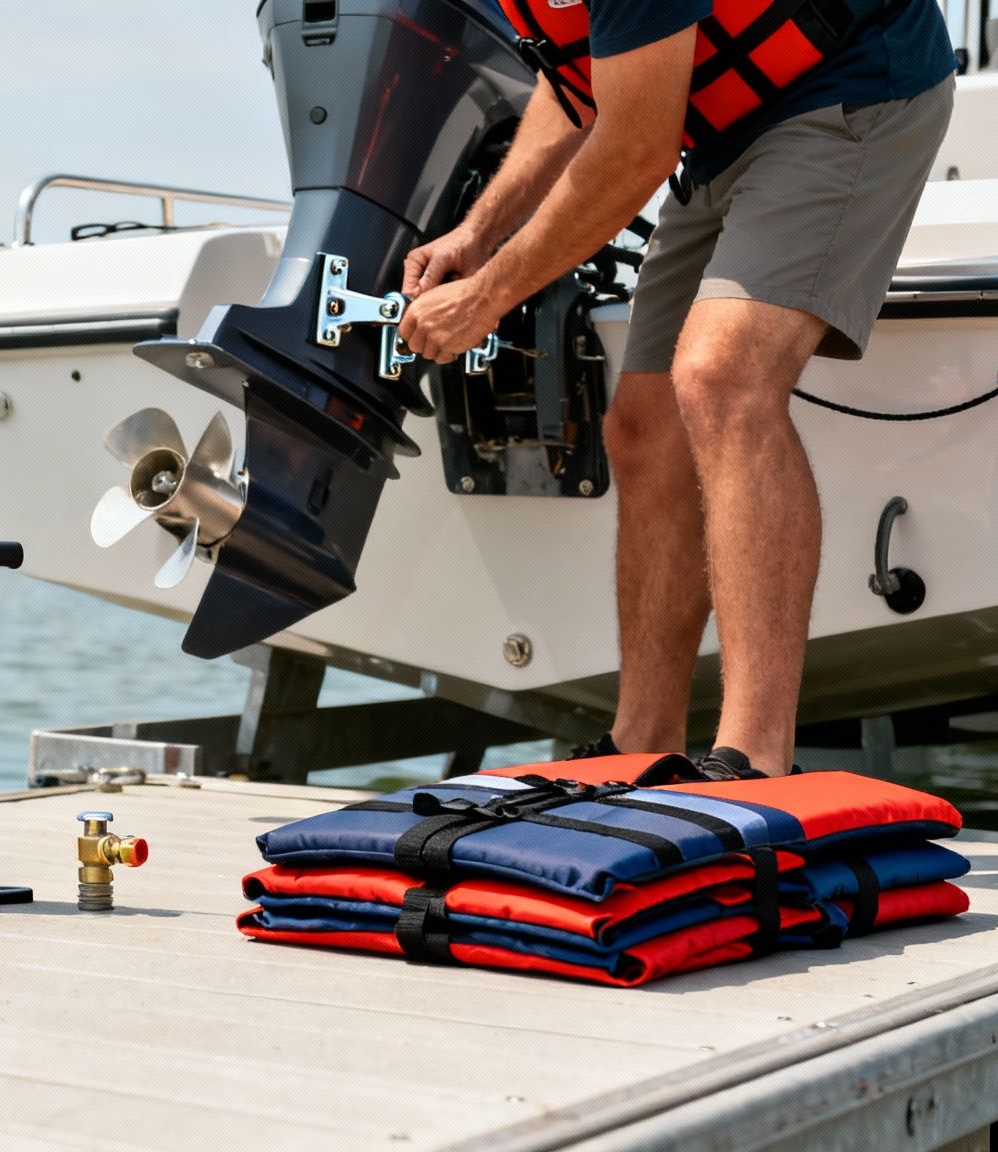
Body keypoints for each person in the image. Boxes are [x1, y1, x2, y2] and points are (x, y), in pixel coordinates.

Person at [398, 0, 956, 777]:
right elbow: (578, 89)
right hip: (725, 137)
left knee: (722, 379)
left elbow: (633, 150)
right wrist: (477, 231)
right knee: (642, 427)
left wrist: (487, 294)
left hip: (850, 84)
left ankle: (757, 756)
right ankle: (640, 740)